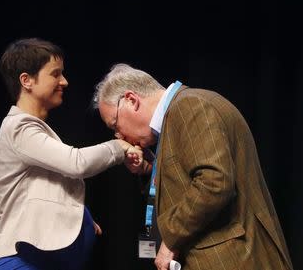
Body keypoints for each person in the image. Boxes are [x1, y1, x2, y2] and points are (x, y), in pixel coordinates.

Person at [93, 63, 294, 270]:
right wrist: (148, 170)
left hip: (231, 259)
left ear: (132, 100)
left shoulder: (189, 106)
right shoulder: (179, 112)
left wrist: (171, 239)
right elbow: (193, 180)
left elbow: (215, 182)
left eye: (115, 125)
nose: (118, 135)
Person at [0, 38, 142, 270]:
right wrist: (119, 148)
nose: (64, 81)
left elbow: (37, 192)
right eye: (55, 74)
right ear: (26, 80)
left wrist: (81, 219)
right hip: (20, 260)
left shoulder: (33, 130)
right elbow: (76, 163)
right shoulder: (18, 128)